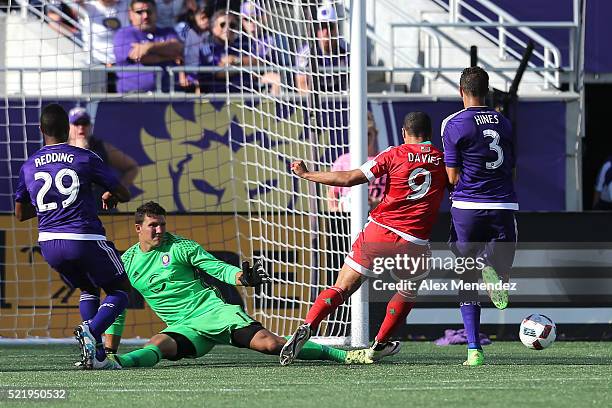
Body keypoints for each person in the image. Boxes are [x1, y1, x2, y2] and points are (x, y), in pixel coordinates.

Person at [103, 201, 372, 368]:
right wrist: (109, 349)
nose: (160, 230)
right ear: (138, 228)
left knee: (271, 345)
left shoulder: (180, 246)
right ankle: (115, 363)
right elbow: (118, 306)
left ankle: (345, 356)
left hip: (215, 313)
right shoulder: (127, 261)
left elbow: (216, 267)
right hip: (184, 327)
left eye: (162, 224)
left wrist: (242, 278)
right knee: (158, 343)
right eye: (153, 226)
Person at [280, 112, 448, 365]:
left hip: (379, 231)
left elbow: (348, 179)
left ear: (404, 133)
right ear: (430, 135)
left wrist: (306, 174)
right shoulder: (441, 159)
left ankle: (308, 324)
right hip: (413, 241)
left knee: (343, 287)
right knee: (406, 291)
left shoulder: (393, 154)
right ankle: (379, 344)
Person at [13, 104, 132, 369]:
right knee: (120, 290)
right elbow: (124, 193)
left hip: (49, 243)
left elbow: (20, 214)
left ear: (41, 130)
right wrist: (111, 195)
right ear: (67, 129)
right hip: (84, 238)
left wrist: (52, 206)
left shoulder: (28, 166)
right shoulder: (85, 157)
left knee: (89, 288)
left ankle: (97, 357)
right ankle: (92, 329)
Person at [441, 66, 518, 366]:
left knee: (466, 275)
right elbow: (511, 166)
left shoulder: (454, 123)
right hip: (503, 204)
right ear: (487, 91)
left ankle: (474, 348)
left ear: (461, 91)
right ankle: (494, 269)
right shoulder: (505, 122)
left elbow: (451, 175)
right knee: (501, 269)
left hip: (468, 206)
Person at [113, 0, 184, 93]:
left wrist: (149, 47)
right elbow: (140, 57)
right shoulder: (123, 34)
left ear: (156, 12)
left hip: (167, 96)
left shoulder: (168, 32)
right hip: (132, 98)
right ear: (130, 14)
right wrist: (170, 56)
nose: (145, 16)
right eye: (140, 12)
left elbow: (178, 48)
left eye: (149, 12)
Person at [68, 106, 139, 195]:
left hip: (98, 206)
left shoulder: (101, 147)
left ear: (90, 126)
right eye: (76, 123)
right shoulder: (61, 148)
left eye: (84, 123)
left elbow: (132, 167)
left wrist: (114, 193)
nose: (81, 127)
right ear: (68, 127)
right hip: (71, 205)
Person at [328, 112, 386, 211]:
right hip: (348, 215)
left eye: (369, 133)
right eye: (362, 133)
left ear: (375, 133)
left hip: (380, 216)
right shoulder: (343, 161)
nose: (365, 137)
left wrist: (378, 202)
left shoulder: (385, 159)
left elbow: (396, 194)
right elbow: (333, 191)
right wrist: (334, 209)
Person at [295, 3, 348, 94]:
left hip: (340, 101)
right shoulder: (306, 53)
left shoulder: (347, 51)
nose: (326, 32)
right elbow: (302, 85)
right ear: (316, 30)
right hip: (316, 102)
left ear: (336, 29)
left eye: (330, 26)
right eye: (322, 27)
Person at [198, 10, 242, 93]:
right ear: (213, 28)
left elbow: (256, 61)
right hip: (216, 96)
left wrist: (235, 60)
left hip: (242, 94)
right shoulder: (206, 49)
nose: (227, 28)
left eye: (232, 25)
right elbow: (218, 73)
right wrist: (241, 66)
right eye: (223, 24)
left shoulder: (241, 46)